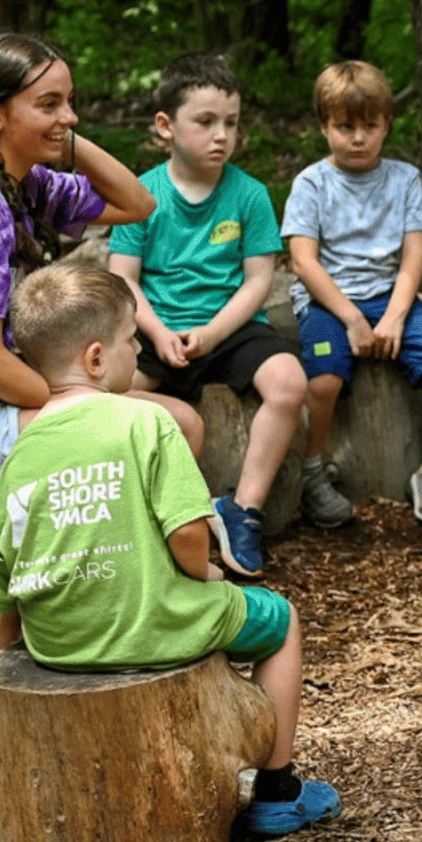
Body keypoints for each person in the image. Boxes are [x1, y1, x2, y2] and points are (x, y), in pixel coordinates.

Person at [0, 265, 338, 836]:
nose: (140, 350)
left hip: (59, 643)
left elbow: (0, 591)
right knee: (281, 621)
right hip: (152, 626)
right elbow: (187, 533)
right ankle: (277, 792)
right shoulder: (146, 421)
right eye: (133, 338)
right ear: (98, 359)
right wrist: (205, 573)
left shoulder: (18, 453)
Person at [0, 33, 197, 492]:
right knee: (142, 435)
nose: (70, 116)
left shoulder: (28, 184)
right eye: (49, 104)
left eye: (69, 102)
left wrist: (64, 137)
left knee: (179, 419)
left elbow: (138, 204)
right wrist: (80, 399)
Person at [109, 54, 307, 579]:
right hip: (157, 330)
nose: (222, 135)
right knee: (100, 394)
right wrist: (156, 331)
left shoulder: (248, 194)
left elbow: (259, 280)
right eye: (205, 122)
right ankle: (157, 512)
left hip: (231, 328)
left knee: (288, 382)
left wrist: (214, 331)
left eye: (232, 123)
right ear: (165, 126)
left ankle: (242, 510)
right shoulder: (141, 193)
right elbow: (123, 276)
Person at [285, 61, 422, 530]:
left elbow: (412, 258)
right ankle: (311, 473)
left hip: (390, 296)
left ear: (387, 124)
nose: (358, 138)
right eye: (345, 127)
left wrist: (394, 318)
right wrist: (351, 318)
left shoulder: (404, 179)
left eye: (370, 126)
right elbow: (304, 262)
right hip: (329, 300)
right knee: (323, 381)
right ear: (325, 127)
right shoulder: (311, 184)